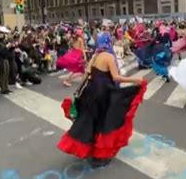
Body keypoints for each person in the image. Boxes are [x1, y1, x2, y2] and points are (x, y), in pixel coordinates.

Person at [57, 33, 146, 168]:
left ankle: (92, 150)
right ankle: (100, 156)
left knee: (91, 120)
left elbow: (87, 75)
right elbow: (116, 78)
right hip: (103, 92)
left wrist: (77, 91)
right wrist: (135, 80)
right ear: (108, 42)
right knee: (105, 122)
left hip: (90, 91)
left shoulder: (95, 56)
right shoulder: (109, 57)